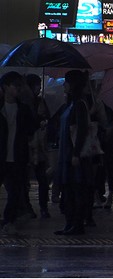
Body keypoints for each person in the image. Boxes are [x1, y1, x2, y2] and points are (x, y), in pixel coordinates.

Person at [54, 70, 94, 235]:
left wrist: (76, 153)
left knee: (76, 190)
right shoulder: (70, 103)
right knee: (69, 190)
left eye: (66, 82)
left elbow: (82, 130)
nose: (64, 85)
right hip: (67, 154)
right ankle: (70, 223)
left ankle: (77, 224)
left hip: (74, 155)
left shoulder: (79, 104)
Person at [0, 71, 35, 234]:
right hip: (2, 155)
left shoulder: (24, 109)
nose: (18, 90)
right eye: (15, 86)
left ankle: (9, 220)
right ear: (6, 87)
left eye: (20, 86)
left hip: (17, 157)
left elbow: (30, 130)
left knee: (14, 192)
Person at [25, 73, 51, 218]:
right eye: (37, 85)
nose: (38, 88)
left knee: (42, 178)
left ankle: (43, 207)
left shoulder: (41, 101)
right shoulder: (25, 103)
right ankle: (28, 206)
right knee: (26, 179)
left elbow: (47, 117)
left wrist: (44, 118)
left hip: (39, 146)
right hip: (29, 145)